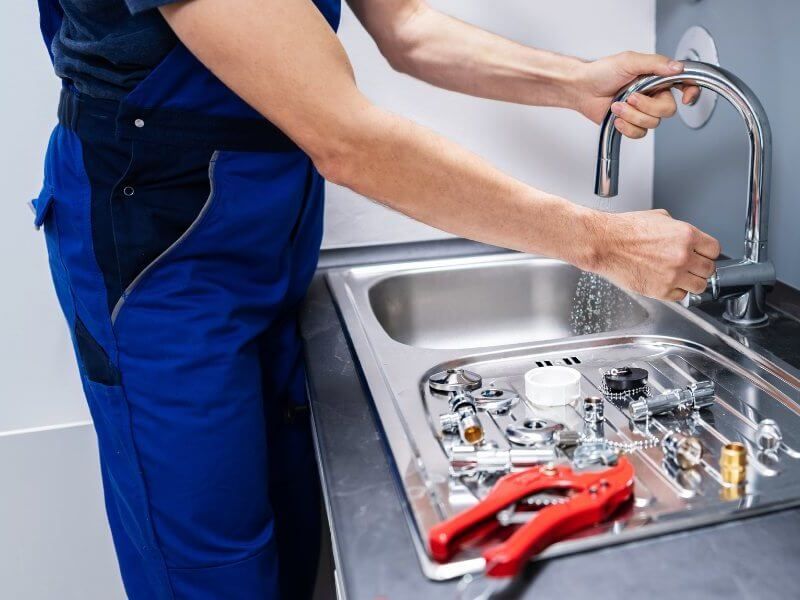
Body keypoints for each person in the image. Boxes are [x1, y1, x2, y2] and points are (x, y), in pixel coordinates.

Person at [31, 0, 719, 598]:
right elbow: (346, 139)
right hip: (156, 261)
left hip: (269, 244)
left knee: (290, 536)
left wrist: (573, 82)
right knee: (213, 567)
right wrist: (601, 243)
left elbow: (408, 27)